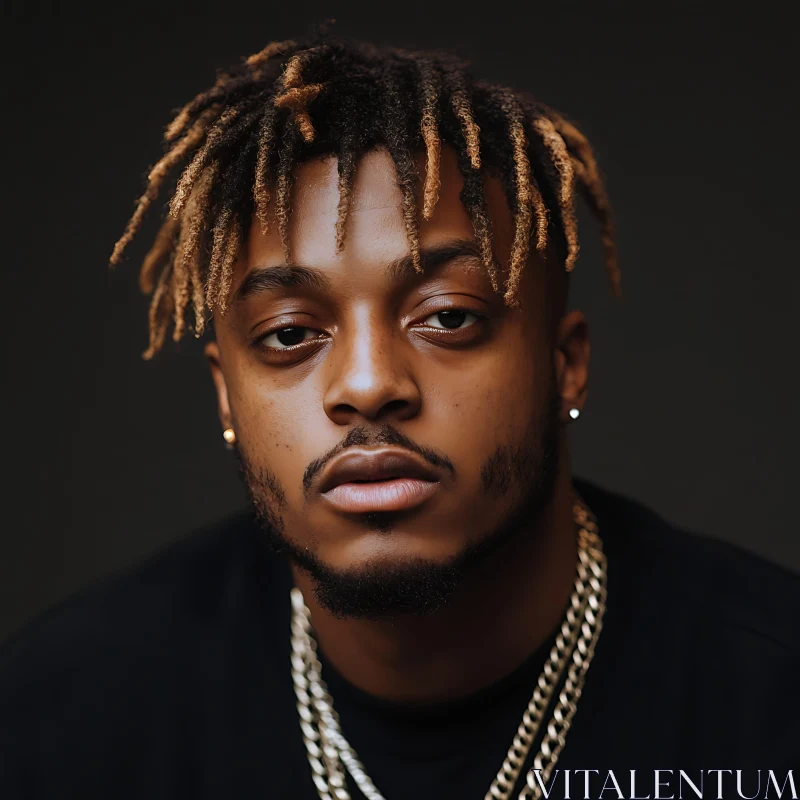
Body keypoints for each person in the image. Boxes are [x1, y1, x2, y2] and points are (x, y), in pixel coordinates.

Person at [1, 32, 798, 800]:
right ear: (224, 395)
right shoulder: (63, 718)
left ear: (565, 366)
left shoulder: (768, 702)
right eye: (289, 334)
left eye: (447, 317)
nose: (368, 384)